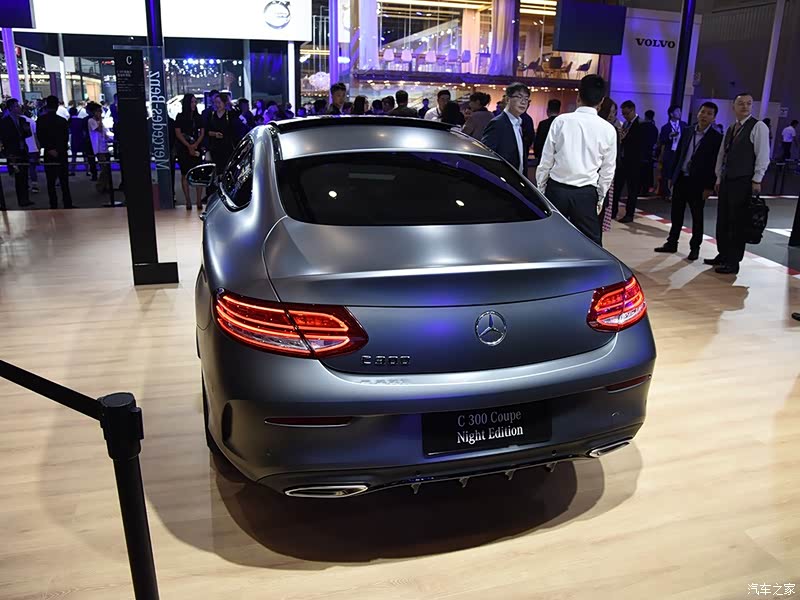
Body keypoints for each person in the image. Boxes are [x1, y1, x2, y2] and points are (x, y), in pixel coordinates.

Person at [535, 75, 617, 246]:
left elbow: (546, 160)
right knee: (592, 246)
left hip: (556, 190)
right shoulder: (608, 129)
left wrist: (541, 189)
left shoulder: (561, 121)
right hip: (586, 194)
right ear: (601, 101)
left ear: (578, 96)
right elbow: (608, 170)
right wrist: (600, 197)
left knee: (550, 242)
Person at [707, 92, 771, 275]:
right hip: (727, 179)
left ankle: (733, 261)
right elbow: (722, 154)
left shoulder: (758, 127)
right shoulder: (731, 127)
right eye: (741, 103)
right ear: (733, 106)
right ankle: (723, 254)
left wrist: (757, 179)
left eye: (749, 103)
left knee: (737, 221)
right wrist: (718, 177)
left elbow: (763, 155)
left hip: (743, 180)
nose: (745, 106)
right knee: (723, 219)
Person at [653, 102, 723, 260]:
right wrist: (672, 176)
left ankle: (695, 248)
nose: (704, 116)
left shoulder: (716, 137)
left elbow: (715, 164)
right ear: (698, 113)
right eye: (703, 112)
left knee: (697, 217)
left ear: (714, 118)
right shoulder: (687, 131)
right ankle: (672, 242)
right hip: (681, 178)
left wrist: (709, 187)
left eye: (709, 113)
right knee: (676, 213)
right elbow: (679, 154)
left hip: (699, 183)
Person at [481, 83, 532, 174]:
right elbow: (487, 156)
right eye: (519, 97)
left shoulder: (519, 123)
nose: (523, 102)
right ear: (508, 99)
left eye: (526, 98)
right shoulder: (498, 123)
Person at [36, 96, 73, 209]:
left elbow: (40, 136)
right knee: (64, 180)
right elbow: (65, 138)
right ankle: (67, 203)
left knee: (50, 181)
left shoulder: (41, 120)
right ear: (57, 106)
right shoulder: (62, 121)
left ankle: (53, 204)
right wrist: (59, 149)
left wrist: (49, 148)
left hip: (48, 152)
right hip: (61, 152)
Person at [613, 100, 644, 222]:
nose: (625, 116)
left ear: (633, 110)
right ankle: (613, 211)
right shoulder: (625, 124)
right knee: (617, 188)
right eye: (623, 114)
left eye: (627, 113)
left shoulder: (641, 124)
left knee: (632, 190)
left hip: (634, 162)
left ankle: (629, 214)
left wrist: (626, 139)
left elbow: (640, 144)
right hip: (622, 161)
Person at [0, 98, 34, 207]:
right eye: (16, 106)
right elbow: (4, 137)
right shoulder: (4, 121)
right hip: (13, 152)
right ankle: (21, 199)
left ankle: (26, 198)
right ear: (10, 108)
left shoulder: (22, 120)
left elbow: (28, 134)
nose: (19, 108)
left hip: (23, 150)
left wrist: (26, 130)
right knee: (18, 176)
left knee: (24, 175)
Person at [175, 94, 206, 211]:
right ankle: (188, 200)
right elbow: (178, 133)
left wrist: (195, 145)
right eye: (192, 102)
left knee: (198, 174)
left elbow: (202, 132)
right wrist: (188, 146)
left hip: (196, 147)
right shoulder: (180, 116)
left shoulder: (198, 117)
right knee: (184, 174)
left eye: (195, 102)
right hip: (183, 148)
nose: (194, 104)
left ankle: (198, 200)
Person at [597, 97, 620, 241]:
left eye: (614, 112)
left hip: (604, 176)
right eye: (611, 111)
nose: (612, 115)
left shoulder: (613, 129)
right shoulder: (609, 130)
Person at [657, 105, 687, 197]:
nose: (679, 113)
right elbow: (662, 141)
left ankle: (675, 192)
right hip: (669, 152)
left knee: (678, 172)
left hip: (680, 152)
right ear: (671, 114)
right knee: (667, 172)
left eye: (680, 111)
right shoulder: (665, 127)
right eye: (677, 111)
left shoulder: (684, 125)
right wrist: (670, 136)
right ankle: (667, 193)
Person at [205, 93, 236, 170]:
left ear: (224, 103)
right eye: (215, 102)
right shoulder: (211, 115)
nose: (217, 105)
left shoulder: (230, 115)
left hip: (227, 147)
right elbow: (206, 131)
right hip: (214, 147)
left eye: (219, 102)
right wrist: (215, 134)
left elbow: (234, 131)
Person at [87, 102, 112, 193]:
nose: (100, 113)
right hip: (98, 148)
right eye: (98, 111)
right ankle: (100, 185)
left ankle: (106, 186)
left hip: (104, 147)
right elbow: (99, 129)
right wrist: (100, 120)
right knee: (104, 168)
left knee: (107, 168)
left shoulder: (101, 122)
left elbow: (105, 133)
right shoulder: (91, 121)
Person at [21, 106, 40, 194]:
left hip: (22, 148)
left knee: (23, 168)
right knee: (32, 168)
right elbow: (36, 136)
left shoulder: (17, 121)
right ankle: (34, 185)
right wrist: (38, 147)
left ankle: (25, 185)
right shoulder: (32, 122)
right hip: (32, 148)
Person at [641, 109, 659, 195]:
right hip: (650, 153)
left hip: (641, 152)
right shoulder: (654, 128)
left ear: (645, 116)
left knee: (640, 172)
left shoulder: (641, 126)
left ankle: (639, 189)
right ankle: (646, 189)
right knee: (648, 172)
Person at [68, 107, 85, 176]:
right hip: (81, 138)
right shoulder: (81, 120)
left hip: (74, 138)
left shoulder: (69, 121)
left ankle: (72, 171)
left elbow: (69, 131)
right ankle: (88, 171)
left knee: (73, 156)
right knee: (85, 155)